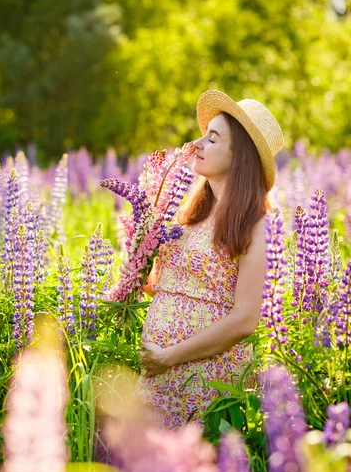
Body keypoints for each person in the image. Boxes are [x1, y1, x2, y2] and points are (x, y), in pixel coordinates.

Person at [121, 89, 284, 430]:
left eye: (212, 138)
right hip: (159, 375)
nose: (196, 143)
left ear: (239, 156)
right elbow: (175, 289)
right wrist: (137, 274)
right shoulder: (192, 215)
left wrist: (170, 356)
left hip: (206, 379)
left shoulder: (256, 225)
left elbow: (244, 320)